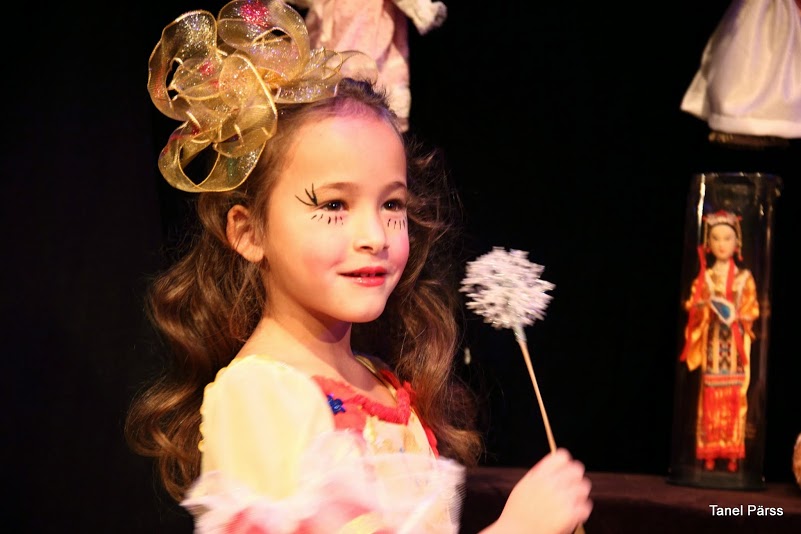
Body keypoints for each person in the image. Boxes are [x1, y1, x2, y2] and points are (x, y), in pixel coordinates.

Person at [126, 1, 593, 532]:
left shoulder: (382, 383)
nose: (375, 236)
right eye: (333, 205)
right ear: (249, 232)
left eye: (391, 204)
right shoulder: (261, 397)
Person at [679, 210, 759, 473]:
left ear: (737, 243)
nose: (722, 244)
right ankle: (710, 452)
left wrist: (738, 315)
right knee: (711, 396)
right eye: (716, 238)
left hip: (735, 347)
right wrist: (703, 307)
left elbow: (753, 310)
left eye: (727, 238)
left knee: (735, 395)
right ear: (708, 243)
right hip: (713, 345)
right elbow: (692, 306)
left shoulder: (745, 278)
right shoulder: (705, 278)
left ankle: (733, 451)